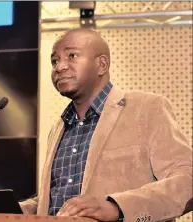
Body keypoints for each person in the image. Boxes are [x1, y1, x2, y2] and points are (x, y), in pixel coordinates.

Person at [19, 28, 192, 222]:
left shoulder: (148, 108)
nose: (59, 67)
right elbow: (62, 201)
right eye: (55, 61)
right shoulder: (59, 127)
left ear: (102, 64)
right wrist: (27, 209)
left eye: (72, 56)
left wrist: (116, 206)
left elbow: (186, 182)